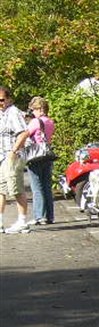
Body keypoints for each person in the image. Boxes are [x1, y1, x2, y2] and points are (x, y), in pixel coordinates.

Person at [12, 96, 56, 224]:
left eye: (34, 109)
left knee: (37, 187)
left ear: (41, 109)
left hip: (35, 155)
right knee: (47, 186)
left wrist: (15, 150)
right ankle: (49, 216)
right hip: (47, 155)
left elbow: (25, 135)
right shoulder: (50, 121)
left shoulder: (35, 122)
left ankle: (39, 216)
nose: (33, 112)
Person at [0, 86, 30, 234]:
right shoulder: (2, 113)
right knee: (2, 189)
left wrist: (13, 151)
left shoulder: (13, 112)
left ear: (9, 99)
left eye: (2, 100)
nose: (0, 103)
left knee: (16, 188)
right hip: (2, 156)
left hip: (12, 156)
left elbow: (24, 132)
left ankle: (22, 221)